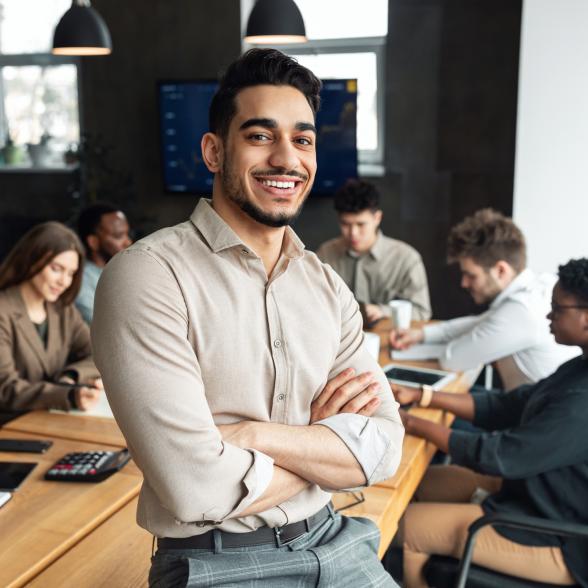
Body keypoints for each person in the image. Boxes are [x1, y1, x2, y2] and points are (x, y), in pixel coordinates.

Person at [92, 49, 404, 587]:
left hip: (337, 539)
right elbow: (195, 487)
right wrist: (319, 441)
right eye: (260, 136)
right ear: (214, 151)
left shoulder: (327, 286)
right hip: (218, 564)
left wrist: (249, 435)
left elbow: (382, 451)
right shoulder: (147, 276)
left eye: (302, 139)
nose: (287, 159)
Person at [390, 257, 588, 587]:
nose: (549, 315)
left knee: (405, 526)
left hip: (557, 535)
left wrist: (410, 423)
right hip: (531, 493)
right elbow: (511, 404)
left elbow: (498, 455)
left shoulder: (581, 403)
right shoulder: (578, 368)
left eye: (557, 307)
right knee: (418, 482)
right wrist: (423, 396)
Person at [390, 208, 577, 390]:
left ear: (501, 270)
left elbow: (453, 359)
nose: (464, 283)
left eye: (471, 275)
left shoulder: (522, 311)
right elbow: (483, 322)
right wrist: (422, 335)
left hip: (529, 417)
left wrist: (406, 352)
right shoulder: (538, 285)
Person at [0, 222, 102, 411]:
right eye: (56, 268)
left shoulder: (63, 310)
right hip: (10, 427)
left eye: (71, 273)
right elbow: (4, 389)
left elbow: (100, 353)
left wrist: (71, 377)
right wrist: (68, 395)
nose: (64, 281)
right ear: (32, 259)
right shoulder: (3, 311)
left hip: (50, 419)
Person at [317, 179, 432, 324]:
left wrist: (382, 311)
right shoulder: (326, 254)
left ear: (377, 218)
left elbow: (421, 311)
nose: (353, 233)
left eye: (361, 224)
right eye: (346, 224)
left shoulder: (406, 258)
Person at [76, 202, 132, 323]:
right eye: (118, 236)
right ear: (93, 242)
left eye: (127, 234)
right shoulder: (81, 281)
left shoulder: (124, 272)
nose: (128, 242)